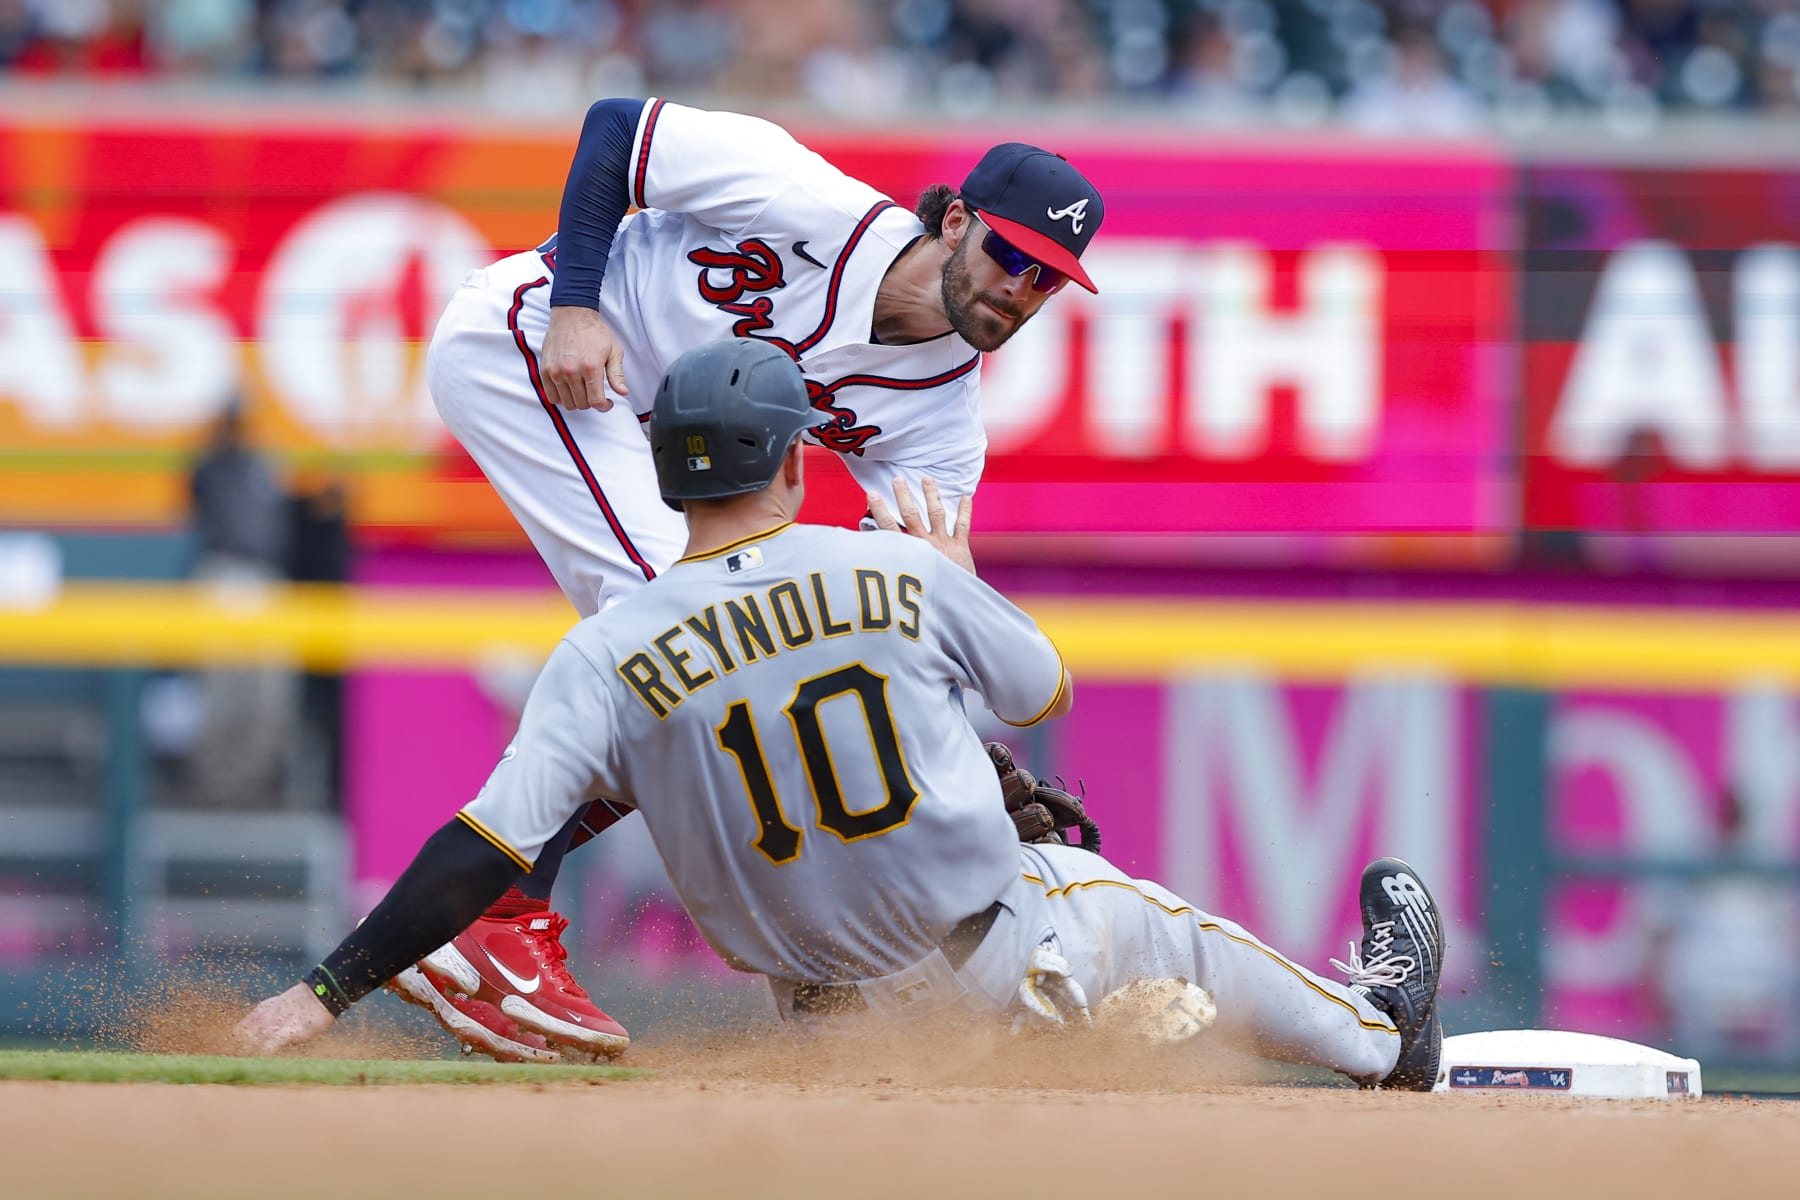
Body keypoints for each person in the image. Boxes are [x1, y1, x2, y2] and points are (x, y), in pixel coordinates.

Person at [233, 339, 1447, 1092]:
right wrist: (955, 576)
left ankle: (1089, 1045)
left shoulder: (604, 649)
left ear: (667, 470)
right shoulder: (895, 570)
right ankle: (1382, 1036)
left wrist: (319, 994)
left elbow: (478, 855)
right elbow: (1041, 692)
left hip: (832, 1039)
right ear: (793, 463)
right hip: (1003, 943)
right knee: (1164, 930)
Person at [399, 93, 1110, 1060]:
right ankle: (492, 921)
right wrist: (575, 307)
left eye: (1049, 279)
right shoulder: (809, 202)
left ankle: (795, 964)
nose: (1020, 289)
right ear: (954, 222)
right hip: (529, 347)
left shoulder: (942, 431)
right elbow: (616, 128)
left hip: (640, 436)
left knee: (739, 660)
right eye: (1010, 257)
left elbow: (868, 626)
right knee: (695, 631)